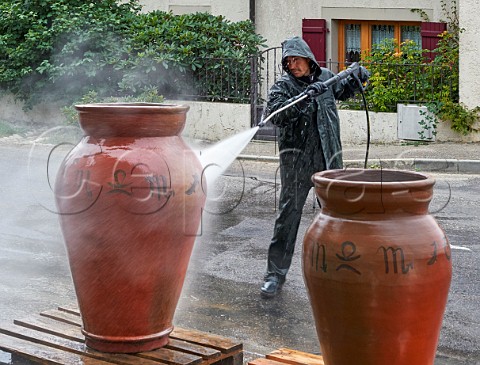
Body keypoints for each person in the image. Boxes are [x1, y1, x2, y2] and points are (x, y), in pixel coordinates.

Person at [260, 36, 369, 298]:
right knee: (288, 218)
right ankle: (275, 275)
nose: (292, 64)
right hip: (296, 164)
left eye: (296, 59)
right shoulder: (283, 88)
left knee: (337, 218)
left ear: (308, 59)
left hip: (329, 160)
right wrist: (304, 98)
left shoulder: (327, 78)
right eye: (288, 61)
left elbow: (344, 90)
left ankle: (343, 270)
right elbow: (275, 115)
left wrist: (358, 77)